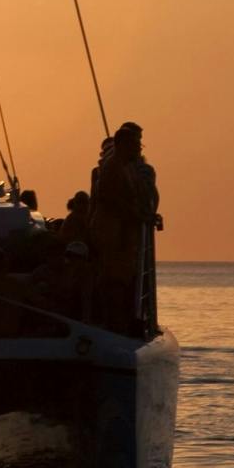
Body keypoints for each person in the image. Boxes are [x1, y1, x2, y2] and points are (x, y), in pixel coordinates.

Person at [89, 121, 161, 335]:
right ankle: (115, 323)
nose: (139, 148)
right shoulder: (112, 168)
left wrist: (146, 214)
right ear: (122, 144)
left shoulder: (127, 168)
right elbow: (112, 200)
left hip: (124, 236)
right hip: (111, 234)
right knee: (114, 280)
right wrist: (137, 214)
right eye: (135, 144)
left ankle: (123, 320)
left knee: (124, 278)